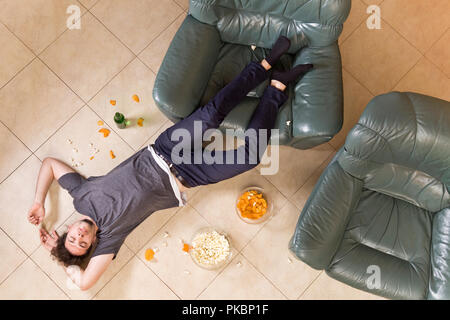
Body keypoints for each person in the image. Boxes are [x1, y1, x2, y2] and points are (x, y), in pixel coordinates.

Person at [27, 36, 313, 290]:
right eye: (83, 244)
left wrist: (40, 202)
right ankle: (278, 85)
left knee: (213, 114)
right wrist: (62, 259)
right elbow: (84, 283)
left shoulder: (81, 196)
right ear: (91, 244)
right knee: (249, 157)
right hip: (186, 177)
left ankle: (265, 64)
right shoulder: (110, 239)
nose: (80, 237)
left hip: (163, 150)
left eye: (72, 238)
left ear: (68, 230)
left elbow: (50, 164)